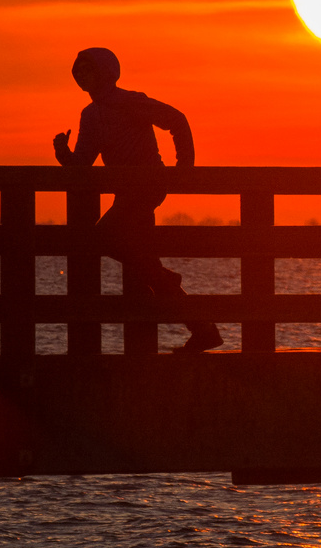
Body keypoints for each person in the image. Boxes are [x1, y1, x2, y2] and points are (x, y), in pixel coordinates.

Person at [52, 47, 223, 353]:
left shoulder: (130, 102)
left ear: (106, 73)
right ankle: (200, 326)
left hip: (147, 185)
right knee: (142, 260)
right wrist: (63, 154)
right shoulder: (89, 115)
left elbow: (177, 120)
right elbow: (83, 164)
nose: (82, 77)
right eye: (78, 72)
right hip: (125, 192)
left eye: (88, 70)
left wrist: (184, 167)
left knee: (102, 238)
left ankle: (168, 285)